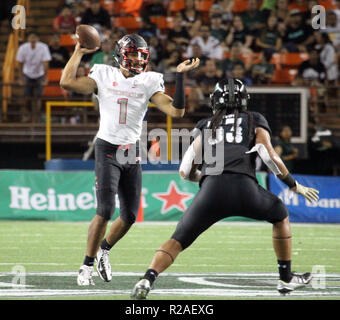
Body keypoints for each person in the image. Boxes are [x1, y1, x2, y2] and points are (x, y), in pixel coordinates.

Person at [131, 78, 319, 299]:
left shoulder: (206, 124)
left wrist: (207, 179)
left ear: (215, 101)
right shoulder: (254, 119)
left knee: (177, 240)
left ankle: (148, 278)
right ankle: (286, 278)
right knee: (280, 215)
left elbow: (184, 170)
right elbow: (269, 155)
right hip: (244, 188)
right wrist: (294, 185)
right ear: (244, 100)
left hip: (211, 191)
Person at [60, 33, 200, 286]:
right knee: (104, 210)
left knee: (130, 216)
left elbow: (176, 111)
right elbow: (67, 82)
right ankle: (86, 266)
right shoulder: (103, 74)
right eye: (133, 53)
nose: (137, 59)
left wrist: (179, 76)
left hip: (132, 150)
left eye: (141, 55)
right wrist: (79, 52)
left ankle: (104, 250)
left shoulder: (149, 80)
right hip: (107, 147)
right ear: (121, 55)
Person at [16, 33, 51, 122]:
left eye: (34, 37)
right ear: (28, 39)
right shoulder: (23, 48)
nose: (33, 39)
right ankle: (28, 114)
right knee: (27, 96)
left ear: (38, 39)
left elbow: (45, 64)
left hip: (40, 73)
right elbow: (20, 64)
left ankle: (37, 116)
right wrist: (20, 78)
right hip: (27, 73)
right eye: (31, 37)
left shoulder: (43, 47)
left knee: (39, 97)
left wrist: (45, 78)